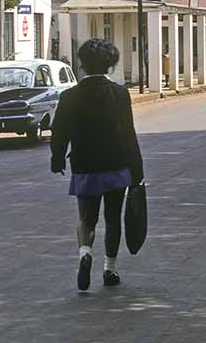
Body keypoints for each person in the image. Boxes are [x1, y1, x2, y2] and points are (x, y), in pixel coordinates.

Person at [51, 39, 144, 292]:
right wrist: (137, 170)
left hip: (85, 165)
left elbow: (59, 131)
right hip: (117, 165)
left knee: (86, 218)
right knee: (113, 218)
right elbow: (128, 133)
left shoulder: (69, 96)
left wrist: (57, 158)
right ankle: (109, 269)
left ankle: (85, 252)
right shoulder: (120, 94)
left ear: (82, 64)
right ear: (110, 64)